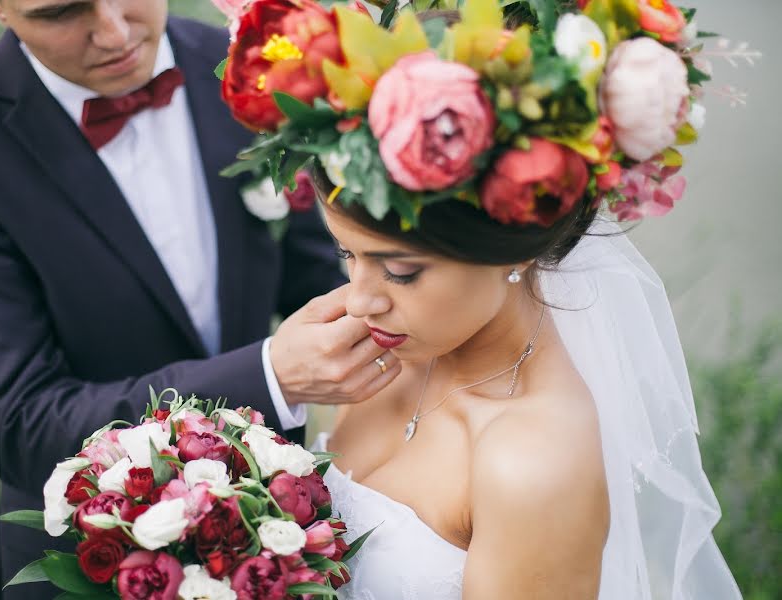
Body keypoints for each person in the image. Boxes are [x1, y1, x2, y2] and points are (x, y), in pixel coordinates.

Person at [215, 0, 742, 597]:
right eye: (348, 256)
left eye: (401, 271)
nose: (360, 302)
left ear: (512, 247)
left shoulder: (533, 463)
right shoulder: (381, 355)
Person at [0, 1, 403, 598]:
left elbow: (320, 270)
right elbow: (23, 425)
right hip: (92, 563)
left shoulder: (252, 69)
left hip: (278, 543)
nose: (114, 32)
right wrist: (268, 376)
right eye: (61, 12)